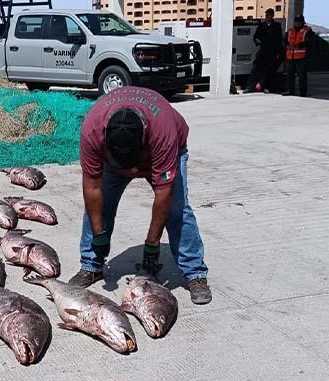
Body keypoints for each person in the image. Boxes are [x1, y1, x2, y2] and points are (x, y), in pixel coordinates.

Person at [68, 86, 212, 304]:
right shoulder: (92, 131)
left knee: (177, 211)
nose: (133, 171)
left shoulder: (163, 132)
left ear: (145, 136)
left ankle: (195, 273)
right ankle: (91, 265)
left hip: (161, 154)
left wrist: (152, 243)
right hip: (114, 163)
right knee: (99, 207)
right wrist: (99, 235)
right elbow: (92, 188)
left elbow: (164, 193)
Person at [246, 8, 284, 93]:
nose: (267, 16)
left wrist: (278, 52)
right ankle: (250, 87)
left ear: (272, 15)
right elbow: (255, 36)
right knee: (255, 68)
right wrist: (257, 41)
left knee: (269, 71)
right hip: (262, 51)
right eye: (266, 15)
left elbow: (279, 39)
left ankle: (267, 87)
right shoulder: (262, 25)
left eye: (269, 15)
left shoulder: (277, 26)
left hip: (272, 52)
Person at [284, 15, 313, 97]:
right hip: (290, 56)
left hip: (301, 57)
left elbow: (309, 43)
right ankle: (290, 91)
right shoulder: (290, 31)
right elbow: (285, 41)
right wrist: (287, 45)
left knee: (302, 76)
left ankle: (302, 92)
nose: (297, 23)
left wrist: (299, 45)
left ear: (303, 22)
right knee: (290, 75)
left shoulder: (307, 31)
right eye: (296, 22)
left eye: (299, 22)